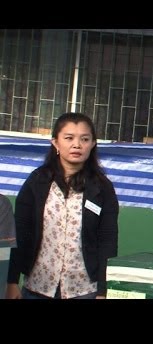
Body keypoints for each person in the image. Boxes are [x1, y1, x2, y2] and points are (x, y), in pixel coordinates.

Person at [5, 113, 119, 299]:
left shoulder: (103, 188)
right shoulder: (37, 181)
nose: (77, 145)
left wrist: (102, 290)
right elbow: (20, 232)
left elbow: (107, 241)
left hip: (84, 290)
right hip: (38, 288)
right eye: (69, 138)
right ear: (56, 143)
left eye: (84, 139)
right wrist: (11, 281)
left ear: (93, 144)